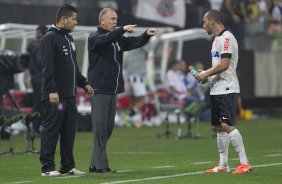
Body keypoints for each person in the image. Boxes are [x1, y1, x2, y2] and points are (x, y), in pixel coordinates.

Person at [87, 7, 157, 173]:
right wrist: (121, 30)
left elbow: (134, 43)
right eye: (112, 19)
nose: (115, 22)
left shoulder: (117, 40)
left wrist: (146, 34)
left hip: (112, 89)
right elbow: (104, 40)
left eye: (116, 19)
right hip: (99, 89)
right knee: (100, 127)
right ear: (101, 21)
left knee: (108, 128)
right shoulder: (94, 38)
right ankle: (102, 166)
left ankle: (94, 163)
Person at [40, 4, 94, 177]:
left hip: (70, 96)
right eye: (73, 19)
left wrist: (83, 83)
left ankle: (67, 166)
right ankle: (47, 168)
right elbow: (47, 68)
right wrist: (51, 90)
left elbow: (74, 68)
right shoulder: (50, 37)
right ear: (63, 19)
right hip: (56, 95)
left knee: (69, 133)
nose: (75, 22)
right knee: (51, 131)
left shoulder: (69, 39)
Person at [196, 9, 252, 174]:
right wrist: (206, 76)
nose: (203, 25)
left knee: (227, 124)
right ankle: (223, 165)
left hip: (227, 87)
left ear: (213, 21)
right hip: (216, 88)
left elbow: (225, 64)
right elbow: (218, 67)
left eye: (205, 21)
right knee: (219, 127)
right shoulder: (216, 40)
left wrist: (205, 72)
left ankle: (244, 162)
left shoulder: (227, 37)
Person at [27, 25, 47, 134]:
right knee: (40, 105)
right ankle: (36, 128)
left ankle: (35, 127)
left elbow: (31, 64)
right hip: (41, 79)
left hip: (35, 78)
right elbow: (41, 63)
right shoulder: (40, 46)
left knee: (37, 104)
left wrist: (30, 76)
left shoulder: (32, 45)